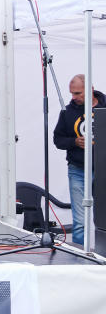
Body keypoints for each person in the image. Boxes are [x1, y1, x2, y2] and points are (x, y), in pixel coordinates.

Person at [53, 74, 103, 246]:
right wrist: (74, 142)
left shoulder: (104, 107)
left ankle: (102, 257)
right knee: (80, 221)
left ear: (90, 90)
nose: (73, 98)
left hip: (103, 170)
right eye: (72, 94)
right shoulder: (67, 112)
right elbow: (57, 139)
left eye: (77, 93)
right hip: (78, 170)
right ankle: (79, 260)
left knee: (103, 220)